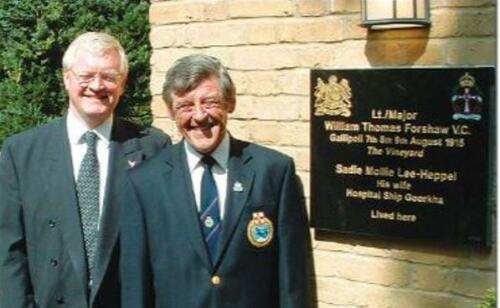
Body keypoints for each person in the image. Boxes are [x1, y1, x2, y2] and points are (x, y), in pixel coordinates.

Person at [121, 54, 310, 307]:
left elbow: (292, 279)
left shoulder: (274, 171)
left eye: (210, 102)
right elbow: (136, 286)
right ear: (170, 111)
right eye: (185, 106)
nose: (199, 116)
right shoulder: (143, 182)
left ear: (230, 102)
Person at [0, 32, 170, 308]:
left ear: (123, 83)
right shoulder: (22, 152)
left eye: (109, 76)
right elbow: (8, 251)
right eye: (86, 76)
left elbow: (165, 247)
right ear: (66, 79)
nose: (97, 85)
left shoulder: (152, 147)